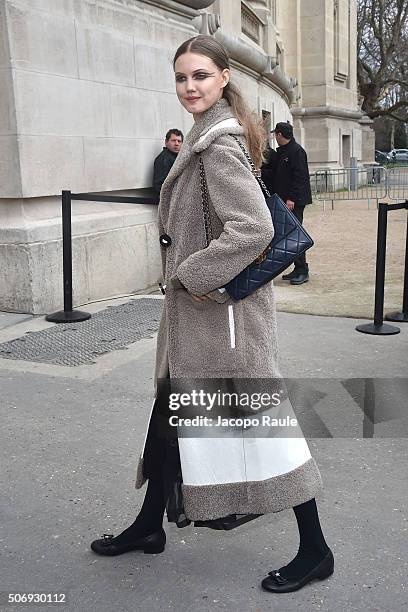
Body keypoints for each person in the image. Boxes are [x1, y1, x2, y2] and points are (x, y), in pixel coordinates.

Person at [90, 34, 334, 595]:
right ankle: (150, 525)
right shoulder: (207, 138)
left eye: (200, 75)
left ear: (224, 77)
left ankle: (316, 549)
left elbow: (255, 229)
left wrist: (190, 276)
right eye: (181, 77)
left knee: (267, 433)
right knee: (171, 417)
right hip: (203, 324)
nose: (189, 86)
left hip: (223, 325)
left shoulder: (216, 147)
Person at [272, 122, 313, 285]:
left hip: (293, 201)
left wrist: (292, 198)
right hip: (286, 199)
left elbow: (300, 177)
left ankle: (303, 270)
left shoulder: (296, 152)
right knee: (289, 234)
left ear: (280, 134)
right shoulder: (284, 152)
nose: (275, 137)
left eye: (276, 134)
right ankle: (298, 267)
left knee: (295, 235)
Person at [152, 129, 183, 196]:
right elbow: (159, 186)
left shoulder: (177, 157)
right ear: (166, 142)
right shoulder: (164, 159)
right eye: (173, 141)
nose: (176, 144)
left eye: (179, 141)